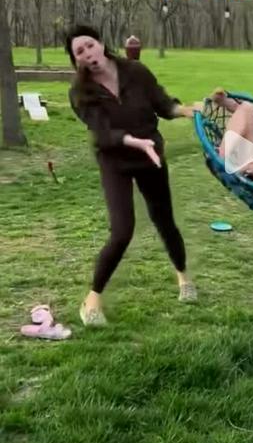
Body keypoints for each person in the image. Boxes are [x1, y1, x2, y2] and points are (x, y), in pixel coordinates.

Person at [65, 24, 199, 326]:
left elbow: (163, 104)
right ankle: (92, 300)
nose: (87, 53)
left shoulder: (135, 72)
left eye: (90, 45)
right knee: (122, 231)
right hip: (115, 161)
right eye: (79, 52)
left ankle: (183, 277)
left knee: (164, 220)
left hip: (151, 156)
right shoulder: (79, 92)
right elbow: (102, 132)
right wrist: (134, 141)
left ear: (101, 44)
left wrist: (186, 110)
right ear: (76, 60)